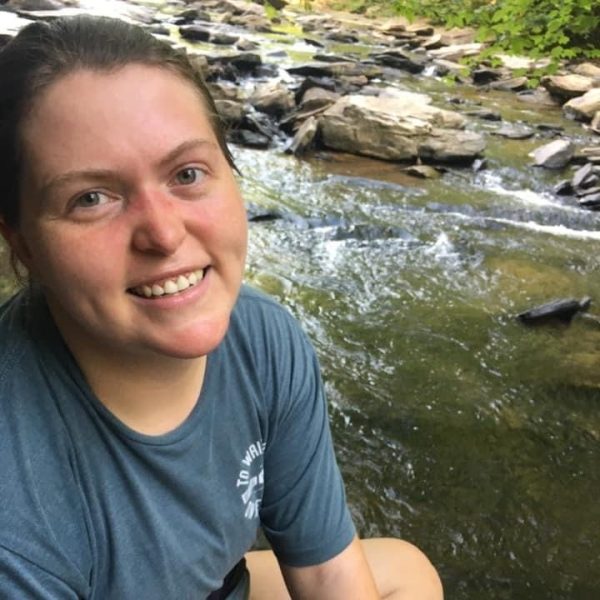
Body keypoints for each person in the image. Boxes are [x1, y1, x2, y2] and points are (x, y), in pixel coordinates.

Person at [0, 15, 443, 600]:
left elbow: (328, 573)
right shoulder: (16, 504)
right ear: (23, 242)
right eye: (91, 198)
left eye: (187, 173)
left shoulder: (262, 338)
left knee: (404, 572)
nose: (162, 233)